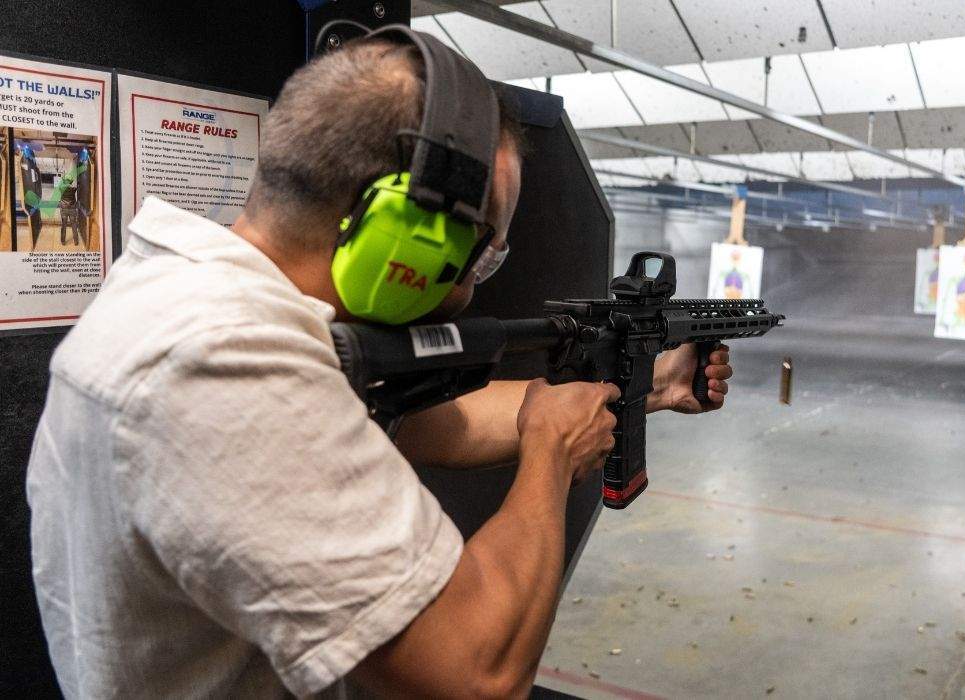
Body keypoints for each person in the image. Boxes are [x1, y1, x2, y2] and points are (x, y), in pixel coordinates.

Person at [26, 29, 734, 699]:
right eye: (482, 255)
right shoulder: (222, 362)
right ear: (408, 239)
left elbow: (432, 424)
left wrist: (649, 388)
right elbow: (477, 675)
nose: (469, 287)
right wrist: (552, 455)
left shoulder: (185, 293)